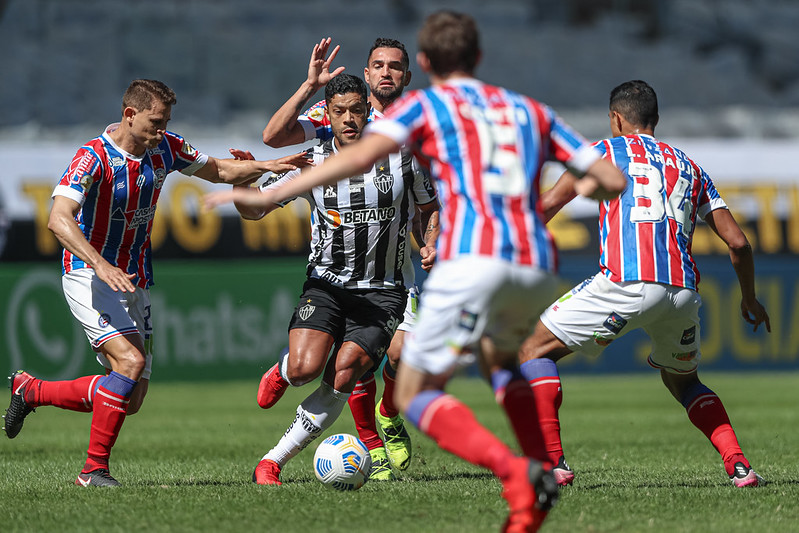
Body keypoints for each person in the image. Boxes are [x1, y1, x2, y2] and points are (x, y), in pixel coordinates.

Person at [206, 12, 626, 532]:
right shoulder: (529, 110)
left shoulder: (422, 110)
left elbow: (355, 160)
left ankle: (511, 468)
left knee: (416, 391)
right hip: (531, 260)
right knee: (507, 365)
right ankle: (536, 471)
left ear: (422, 65)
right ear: (480, 58)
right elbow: (608, 179)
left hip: (466, 257)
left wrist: (270, 189)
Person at [2, 79, 309, 487]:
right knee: (130, 363)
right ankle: (93, 472)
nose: (161, 130)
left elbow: (216, 169)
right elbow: (58, 218)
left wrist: (268, 166)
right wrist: (101, 265)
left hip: (134, 277)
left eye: (165, 122)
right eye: (155, 122)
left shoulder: (164, 146)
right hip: (88, 273)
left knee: (129, 398)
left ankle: (32, 390)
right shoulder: (92, 157)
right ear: (130, 115)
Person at [519, 79, 771, 488]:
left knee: (532, 348)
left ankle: (553, 462)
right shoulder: (690, 165)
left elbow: (548, 205)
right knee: (684, 380)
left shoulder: (603, 152)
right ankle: (739, 465)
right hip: (682, 292)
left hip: (625, 282)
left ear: (616, 119)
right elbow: (739, 243)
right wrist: (749, 299)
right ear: (656, 119)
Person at [224, 73, 438, 486]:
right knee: (306, 369)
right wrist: (243, 180)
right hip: (326, 286)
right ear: (329, 114)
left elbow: (429, 208)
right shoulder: (312, 162)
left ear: (367, 111)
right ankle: (285, 371)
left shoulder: (402, 156)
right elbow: (254, 210)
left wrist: (429, 241)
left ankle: (271, 462)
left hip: (383, 292)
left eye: (357, 110)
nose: (349, 120)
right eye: (339, 112)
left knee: (345, 373)